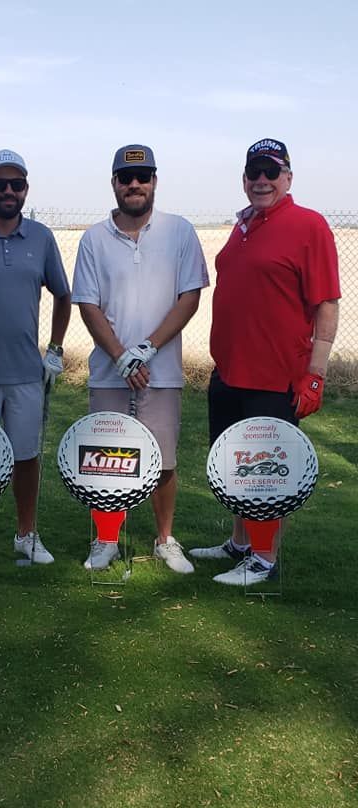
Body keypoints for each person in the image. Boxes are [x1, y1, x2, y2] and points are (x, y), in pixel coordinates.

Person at [189, 138, 340, 586]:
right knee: (234, 468)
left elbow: (327, 305)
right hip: (231, 372)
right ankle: (240, 543)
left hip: (276, 378)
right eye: (253, 172)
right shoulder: (243, 227)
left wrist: (316, 374)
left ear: (288, 178)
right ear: (244, 179)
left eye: (271, 172)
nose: (261, 180)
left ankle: (264, 559)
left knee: (267, 473)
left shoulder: (309, 226)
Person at [72, 144, 209, 572]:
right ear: (114, 183)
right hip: (110, 374)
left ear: (154, 182)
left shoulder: (180, 231)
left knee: (163, 461)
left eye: (143, 176)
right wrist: (120, 357)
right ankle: (107, 539)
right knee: (105, 462)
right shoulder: (94, 238)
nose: (135, 184)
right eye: (126, 178)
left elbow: (189, 296)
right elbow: (88, 305)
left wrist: (147, 348)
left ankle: (165, 539)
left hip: (161, 373)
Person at [0, 149, 71, 570]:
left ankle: (26, 534)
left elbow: (62, 293)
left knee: (26, 457)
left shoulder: (40, 237)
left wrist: (55, 349)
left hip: (24, 371)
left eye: (16, 184)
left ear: (25, 189)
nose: (8, 191)